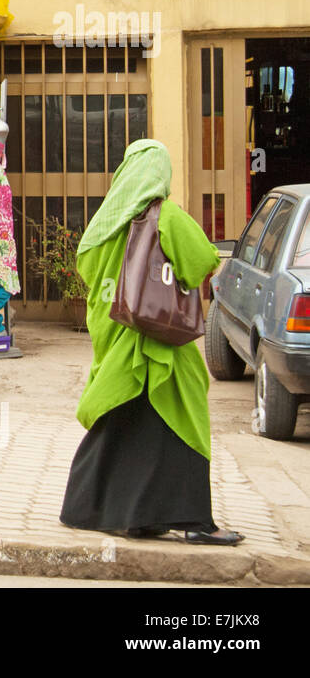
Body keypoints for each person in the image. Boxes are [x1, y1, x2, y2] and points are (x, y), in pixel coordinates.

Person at [59, 139, 242, 546]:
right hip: (160, 339)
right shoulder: (167, 216)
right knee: (185, 418)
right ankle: (194, 520)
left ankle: (96, 509)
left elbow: (89, 271)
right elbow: (198, 265)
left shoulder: (103, 224)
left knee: (120, 421)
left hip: (116, 339)